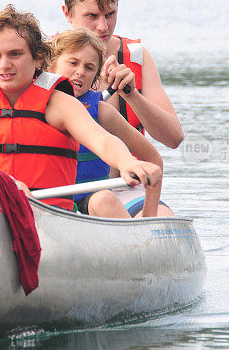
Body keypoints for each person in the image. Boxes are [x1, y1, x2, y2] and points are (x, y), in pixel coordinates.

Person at [0, 4, 161, 212]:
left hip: (49, 214)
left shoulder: (60, 103)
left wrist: (127, 162)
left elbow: (102, 141)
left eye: (15, 54)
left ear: (38, 58)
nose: (4, 65)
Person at [48, 28, 174, 218]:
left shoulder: (103, 112)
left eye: (89, 68)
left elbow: (153, 159)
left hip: (90, 200)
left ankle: (137, 240)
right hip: (44, 198)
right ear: (51, 67)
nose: (80, 72)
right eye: (73, 63)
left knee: (104, 199)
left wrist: (149, 213)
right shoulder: (34, 106)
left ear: (96, 77)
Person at [62, 0, 184, 149]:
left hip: (126, 177)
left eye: (110, 14)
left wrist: (131, 95)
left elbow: (174, 138)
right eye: (92, 16)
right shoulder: (47, 56)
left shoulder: (135, 56)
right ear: (67, 13)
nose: (103, 27)